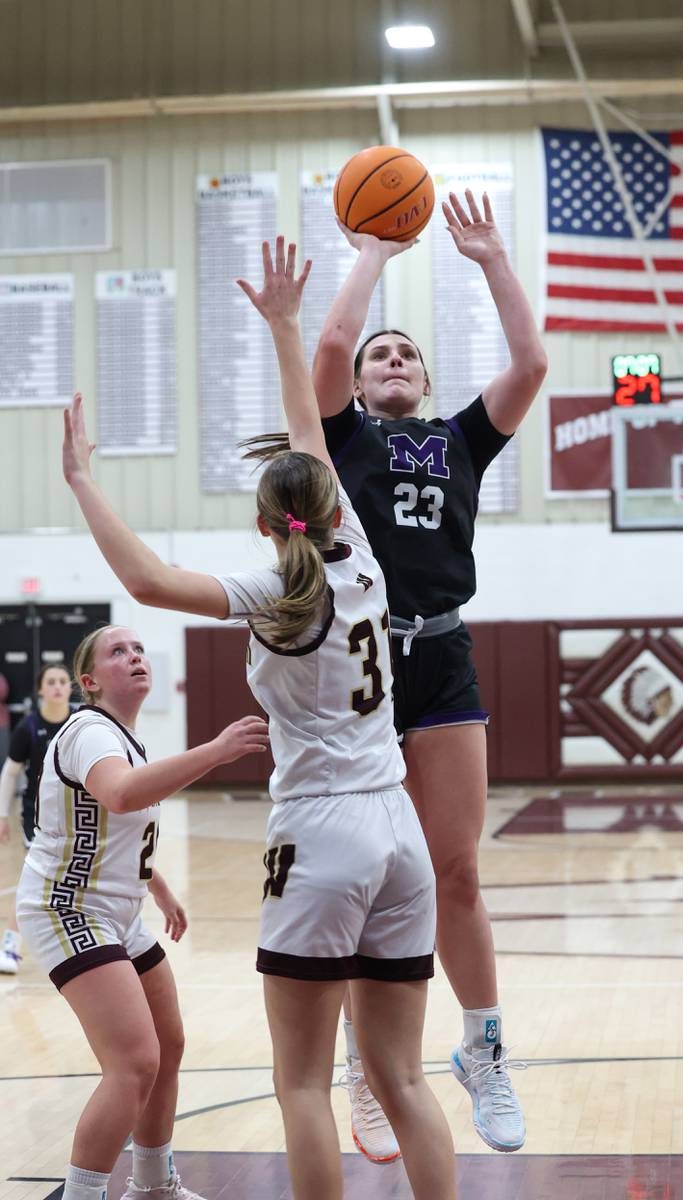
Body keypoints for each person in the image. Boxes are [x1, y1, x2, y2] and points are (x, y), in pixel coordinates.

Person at [60, 237, 457, 1200]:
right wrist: (286, 328)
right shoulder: (359, 554)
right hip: (399, 827)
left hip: (320, 832)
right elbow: (311, 438)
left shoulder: (268, 587)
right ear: (329, 507)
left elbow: (147, 579)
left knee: (301, 1085)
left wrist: (82, 483)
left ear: (261, 519)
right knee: (404, 1076)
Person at [311, 189, 548, 1155]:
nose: (392, 359)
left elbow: (531, 365)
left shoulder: (460, 441)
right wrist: (373, 250)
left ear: (425, 375)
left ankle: (483, 1052)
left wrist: (491, 259)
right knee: (359, 875)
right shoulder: (345, 437)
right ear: (363, 388)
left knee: (455, 870)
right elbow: (326, 349)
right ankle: (365, 1066)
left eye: (406, 352)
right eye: (382, 356)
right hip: (357, 660)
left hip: (441, 652)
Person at [15, 625, 269, 1200]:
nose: (133, 657)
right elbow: (123, 795)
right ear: (90, 681)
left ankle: (153, 1185)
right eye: (116, 652)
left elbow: (112, 828)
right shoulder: (86, 729)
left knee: (167, 1044)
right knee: (133, 1061)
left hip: (117, 910)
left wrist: (158, 887)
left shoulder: (124, 738)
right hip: (68, 907)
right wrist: (217, 749)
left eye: (137, 650)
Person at [0, 662, 74, 973]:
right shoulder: (28, 727)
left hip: (75, 813)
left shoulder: (81, 723)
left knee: (74, 881)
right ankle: (9, 949)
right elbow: (10, 772)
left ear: (71, 688)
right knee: (32, 882)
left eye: (62, 681)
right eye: (51, 681)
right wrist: (2, 814)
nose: (57, 686)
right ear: (40, 690)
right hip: (37, 814)